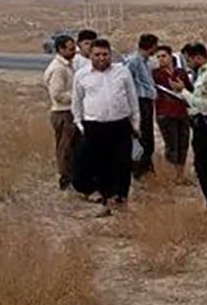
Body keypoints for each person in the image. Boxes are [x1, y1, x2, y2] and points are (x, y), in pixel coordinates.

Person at [71, 38, 139, 216]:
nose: (101, 58)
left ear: (110, 54)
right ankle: (106, 200)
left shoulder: (122, 72)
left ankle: (121, 199)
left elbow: (132, 99)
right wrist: (80, 124)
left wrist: (135, 124)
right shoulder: (82, 75)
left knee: (123, 162)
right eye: (97, 54)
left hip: (120, 124)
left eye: (105, 54)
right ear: (90, 55)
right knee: (100, 164)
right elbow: (76, 102)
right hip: (95, 126)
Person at [172, 43, 207, 211]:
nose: (187, 64)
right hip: (202, 122)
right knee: (203, 167)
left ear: (198, 57)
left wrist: (183, 91)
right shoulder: (203, 73)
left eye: (188, 60)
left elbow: (204, 104)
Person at [152, 45, 192, 185]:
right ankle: (171, 176)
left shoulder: (180, 72)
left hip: (182, 112)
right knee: (171, 145)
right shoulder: (155, 74)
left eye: (163, 56)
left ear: (170, 56)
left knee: (183, 144)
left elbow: (189, 90)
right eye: (158, 57)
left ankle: (180, 175)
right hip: (165, 113)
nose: (161, 59)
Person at [43, 34, 78, 190]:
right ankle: (65, 180)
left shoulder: (67, 66)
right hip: (63, 112)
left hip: (68, 112)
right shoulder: (58, 68)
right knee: (65, 148)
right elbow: (57, 93)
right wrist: (76, 97)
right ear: (61, 49)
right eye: (70, 49)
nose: (74, 51)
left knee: (72, 147)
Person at [125, 33, 159, 178]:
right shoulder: (134, 61)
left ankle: (146, 167)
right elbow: (127, 81)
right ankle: (138, 169)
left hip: (147, 101)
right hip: (139, 101)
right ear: (151, 46)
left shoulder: (145, 62)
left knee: (148, 135)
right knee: (141, 135)